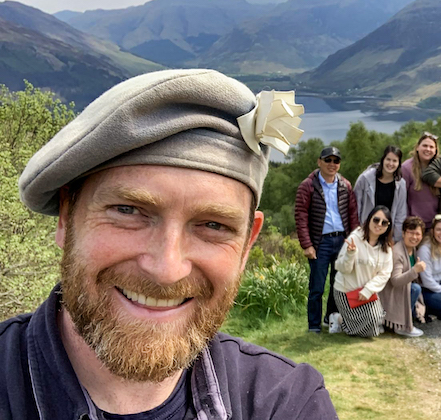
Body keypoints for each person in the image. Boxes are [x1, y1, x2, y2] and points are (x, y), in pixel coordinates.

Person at [3, 69, 336, 418]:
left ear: (247, 245)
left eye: (213, 225)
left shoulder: (287, 404)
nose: (166, 270)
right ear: (67, 216)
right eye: (128, 210)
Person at [296, 146, 360, 333]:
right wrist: (307, 244)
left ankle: (330, 319)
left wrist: (353, 239)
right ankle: (313, 326)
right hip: (320, 242)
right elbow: (301, 216)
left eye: (336, 161)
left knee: (337, 283)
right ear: (319, 161)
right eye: (328, 160)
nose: (332, 164)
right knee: (317, 286)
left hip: (341, 240)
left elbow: (352, 214)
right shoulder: (307, 186)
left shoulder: (345, 185)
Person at [328, 206, 394, 338]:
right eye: (376, 220)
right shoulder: (355, 238)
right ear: (369, 219)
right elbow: (342, 268)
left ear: (388, 226)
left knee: (375, 324)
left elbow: (385, 274)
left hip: (366, 293)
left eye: (384, 222)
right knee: (368, 330)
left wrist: (368, 290)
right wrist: (350, 254)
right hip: (346, 291)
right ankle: (339, 319)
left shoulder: (386, 247)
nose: (379, 225)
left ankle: (342, 321)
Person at [379, 216, 427, 337]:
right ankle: (401, 325)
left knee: (416, 287)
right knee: (416, 289)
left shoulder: (412, 249)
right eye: (411, 233)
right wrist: (414, 270)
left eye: (418, 234)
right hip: (390, 292)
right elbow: (395, 280)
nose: (414, 237)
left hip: (401, 289)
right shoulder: (398, 252)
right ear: (404, 233)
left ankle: (405, 320)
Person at [354, 145, 407, 241]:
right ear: (383, 160)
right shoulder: (365, 179)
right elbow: (356, 207)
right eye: (388, 159)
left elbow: (401, 213)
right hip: (365, 232)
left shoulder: (401, 184)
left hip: (386, 234)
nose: (391, 163)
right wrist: (358, 232)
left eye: (394, 161)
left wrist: (395, 239)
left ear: (399, 163)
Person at [401, 132, 440, 229]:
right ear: (417, 147)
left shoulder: (440, 168)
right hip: (413, 225)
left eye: (431, 147)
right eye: (425, 146)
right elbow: (401, 199)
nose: (428, 149)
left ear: (435, 150)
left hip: (434, 225)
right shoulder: (406, 168)